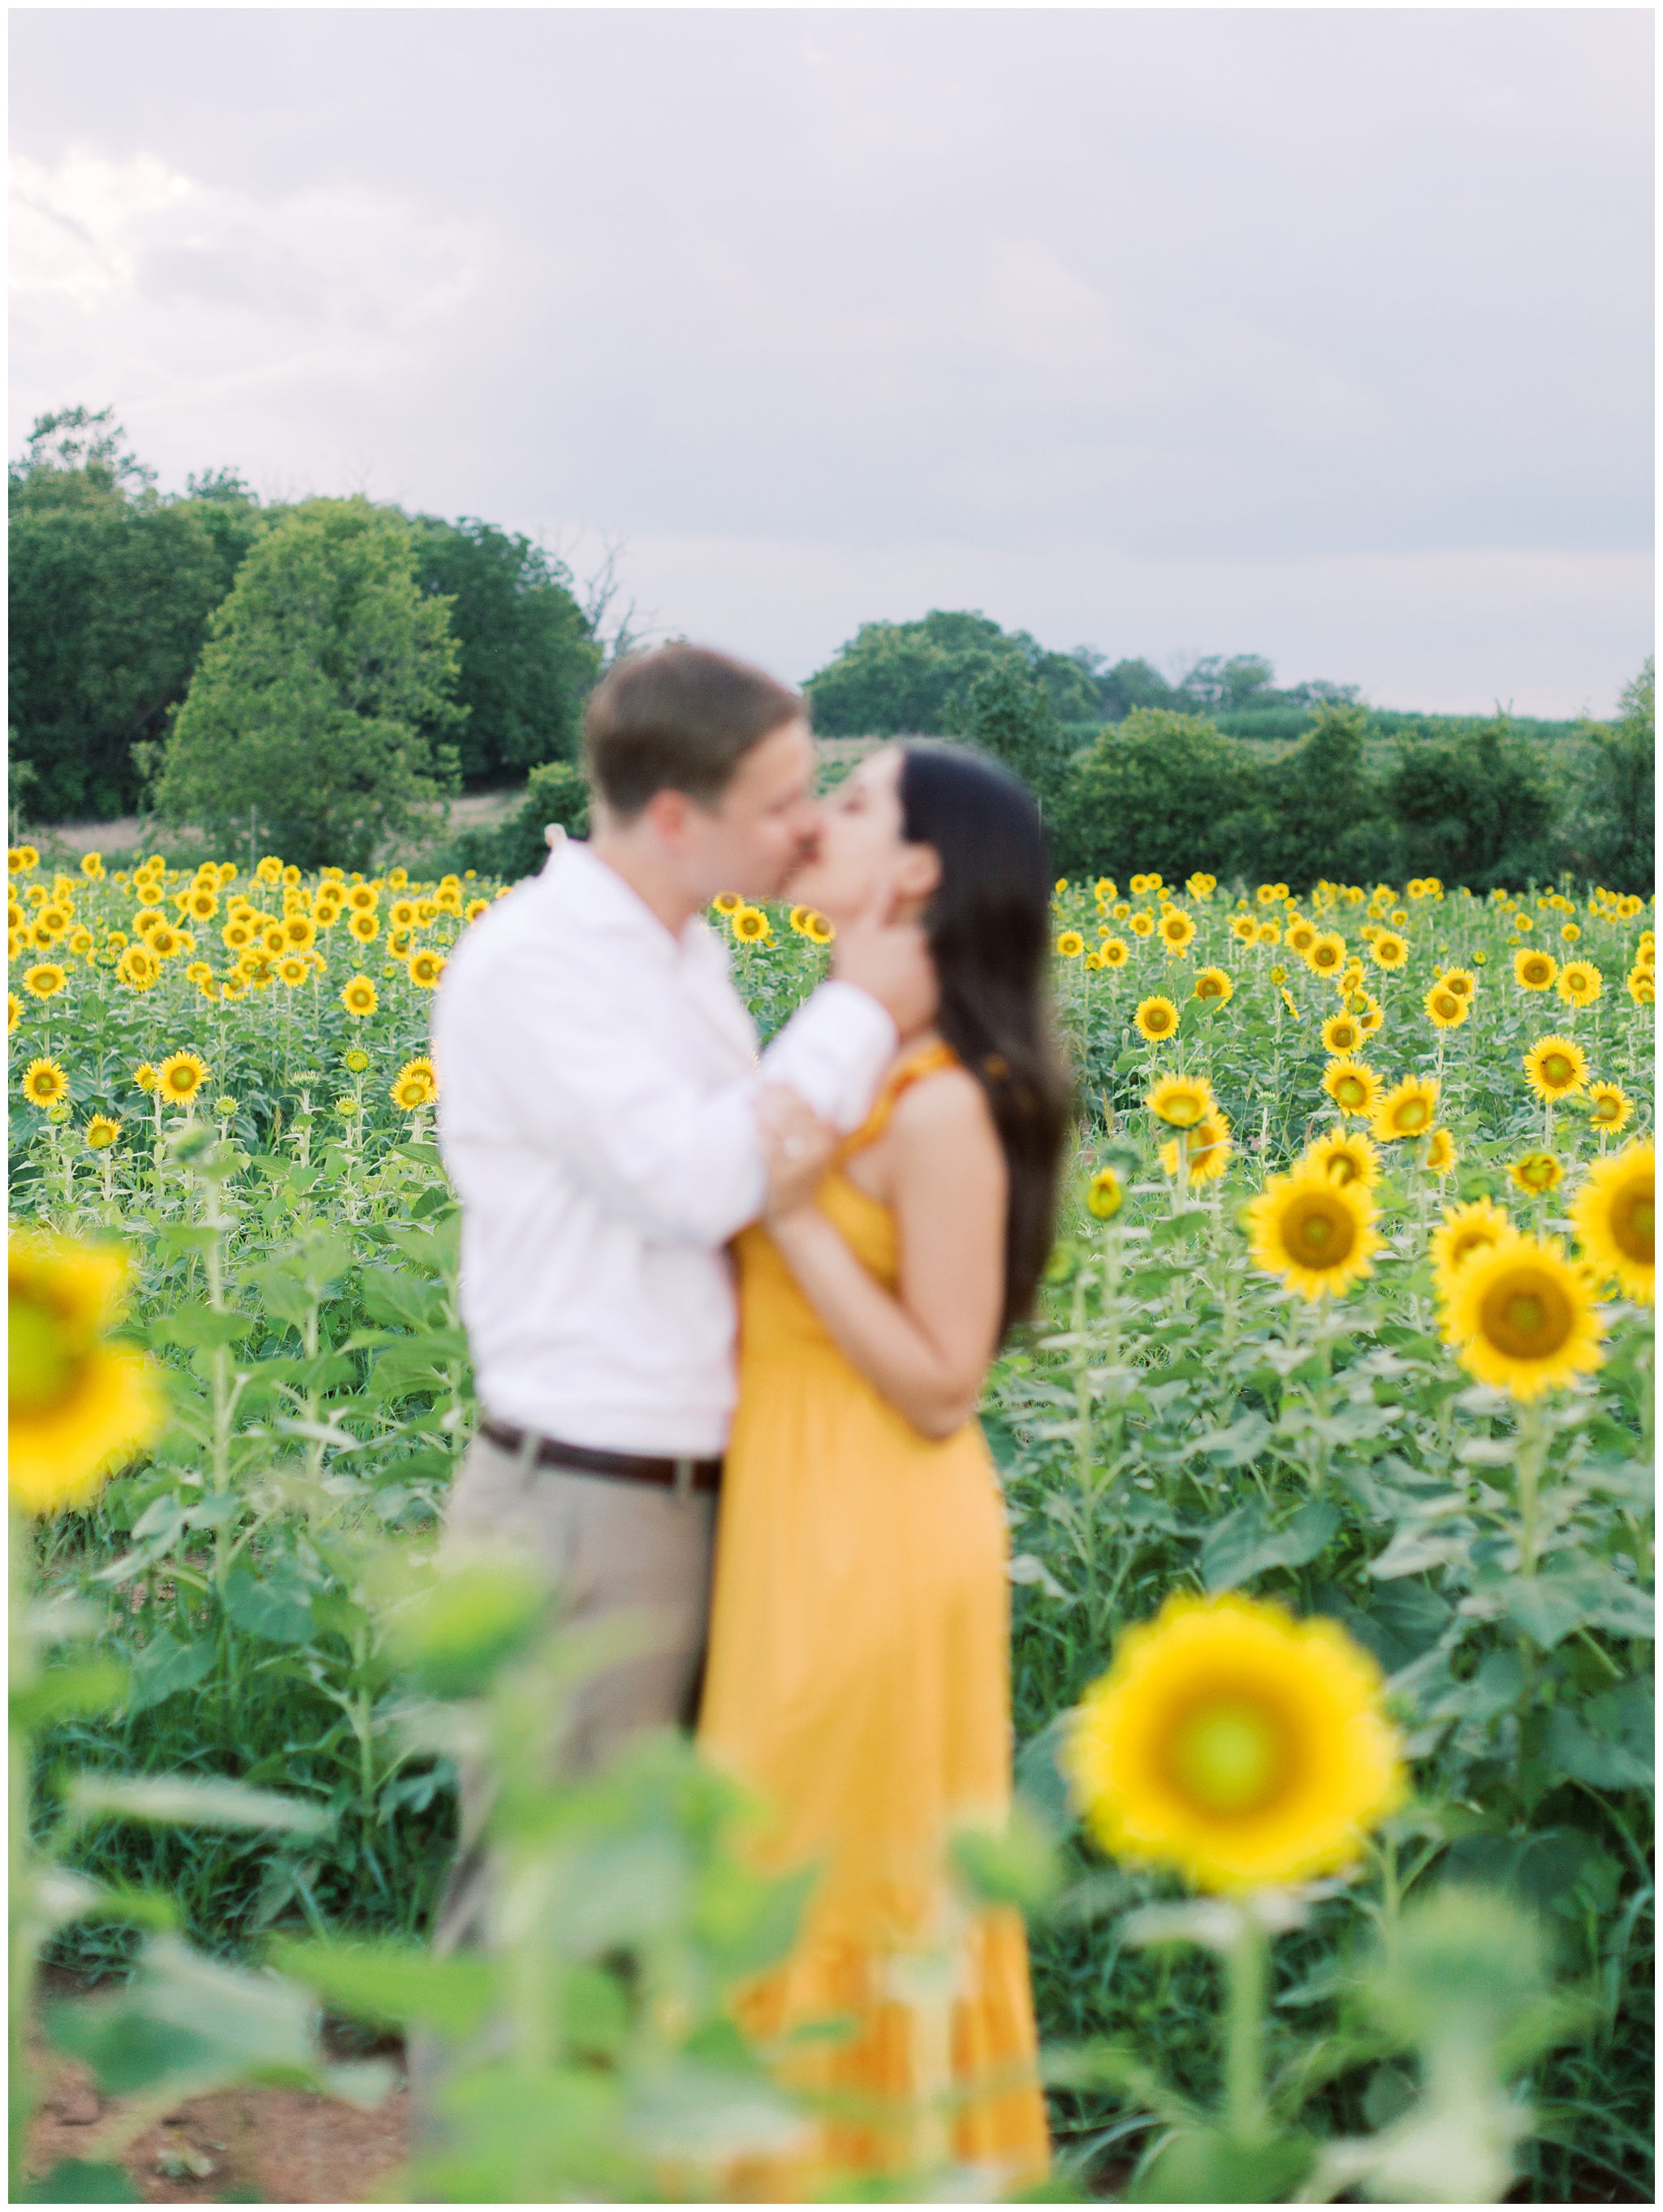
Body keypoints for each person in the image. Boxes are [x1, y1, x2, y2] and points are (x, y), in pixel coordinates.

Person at [425, 643, 935, 1957]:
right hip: (591, 1499)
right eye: (779, 801)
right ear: (673, 816)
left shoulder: (678, 953)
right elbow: (705, 1181)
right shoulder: (542, 964)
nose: (809, 825)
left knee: (646, 1924)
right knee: (549, 1923)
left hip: (694, 1486)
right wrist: (864, 1011)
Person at [697, 741, 1071, 2193]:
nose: (812, 825)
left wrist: (786, 1217)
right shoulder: (840, 1055)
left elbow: (941, 1383)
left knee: (842, 1889)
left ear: (916, 872)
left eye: (847, 805)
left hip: (877, 1537)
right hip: (790, 1520)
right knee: (768, 1874)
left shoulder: (939, 1102)